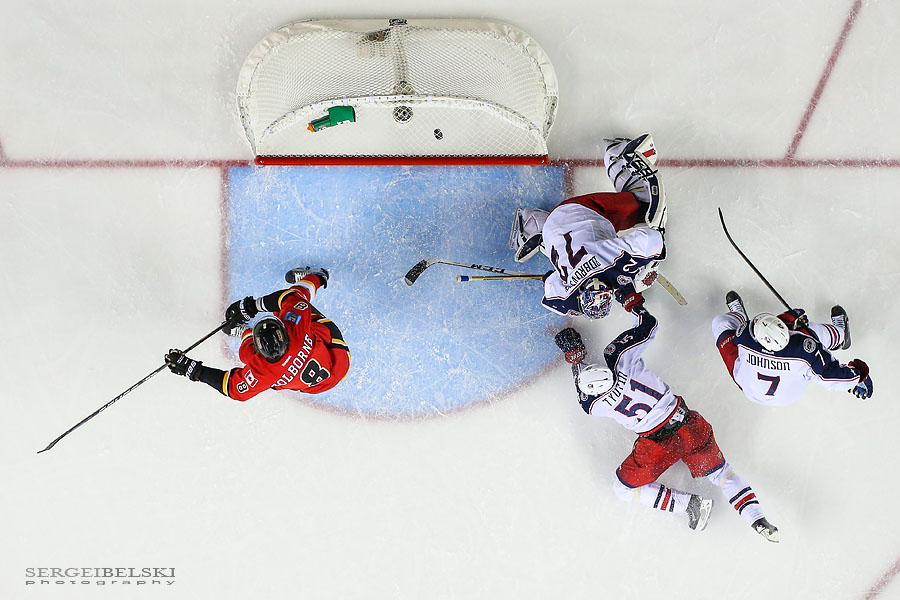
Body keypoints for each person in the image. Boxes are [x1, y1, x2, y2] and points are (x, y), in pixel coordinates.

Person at [555, 290, 779, 541]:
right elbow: (648, 325)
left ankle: (688, 505)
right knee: (722, 474)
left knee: (624, 490)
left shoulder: (593, 404)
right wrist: (632, 301)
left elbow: (582, 385)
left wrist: (576, 358)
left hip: (657, 447)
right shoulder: (619, 360)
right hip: (689, 427)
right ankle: (756, 518)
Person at [509, 133, 667, 319]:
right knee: (561, 255)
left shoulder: (611, 258)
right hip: (553, 234)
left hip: (579, 211)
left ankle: (618, 156)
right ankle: (533, 225)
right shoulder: (563, 300)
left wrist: (647, 265)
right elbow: (550, 288)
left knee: (645, 206)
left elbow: (653, 238)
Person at [165, 267, 350, 400]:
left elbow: (232, 388)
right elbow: (293, 296)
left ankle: (245, 331)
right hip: (339, 361)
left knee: (247, 356)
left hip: (314, 386)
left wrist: (195, 370)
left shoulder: (263, 371)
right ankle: (317, 276)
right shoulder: (296, 330)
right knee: (293, 305)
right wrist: (252, 306)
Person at [711, 291, 873, 406]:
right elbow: (830, 377)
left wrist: (788, 318)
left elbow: (745, 333)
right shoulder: (803, 351)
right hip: (786, 395)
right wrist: (859, 376)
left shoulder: (746, 335)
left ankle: (738, 316)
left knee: (721, 323)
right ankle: (841, 335)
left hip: (750, 389)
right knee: (813, 331)